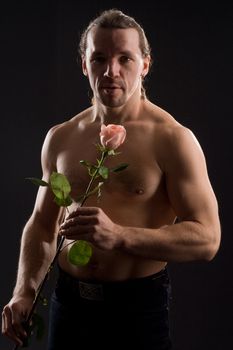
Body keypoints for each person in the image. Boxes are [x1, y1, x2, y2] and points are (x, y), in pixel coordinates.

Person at [2, 9, 221, 350]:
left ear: (145, 65)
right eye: (99, 58)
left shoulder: (172, 138)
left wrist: (119, 236)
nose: (111, 71)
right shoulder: (60, 137)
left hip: (137, 309)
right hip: (70, 305)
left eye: (125, 58)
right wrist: (24, 291)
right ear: (84, 65)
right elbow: (43, 225)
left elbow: (207, 238)